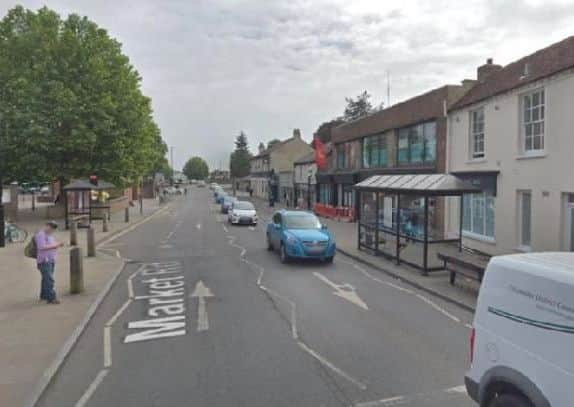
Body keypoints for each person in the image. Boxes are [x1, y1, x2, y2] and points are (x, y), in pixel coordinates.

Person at [35, 221, 64, 304]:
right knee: (49, 279)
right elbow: (41, 247)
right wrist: (55, 245)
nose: (51, 230)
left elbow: (51, 244)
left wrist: (57, 244)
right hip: (44, 260)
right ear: (46, 226)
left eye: (53, 229)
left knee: (46, 279)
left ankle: (44, 296)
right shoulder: (41, 235)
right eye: (50, 227)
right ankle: (51, 298)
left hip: (50, 260)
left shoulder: (50, 235)